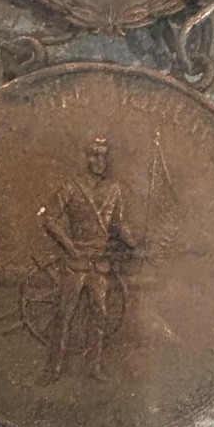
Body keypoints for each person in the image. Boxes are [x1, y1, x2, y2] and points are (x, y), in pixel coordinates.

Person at [42, 137, 134, 381]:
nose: (99, 161)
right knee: (64, 313)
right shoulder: (70, 187)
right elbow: (49, 218)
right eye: (94, 155)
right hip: (76, 262)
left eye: (103, 156)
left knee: (100, 315)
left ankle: (94, 368)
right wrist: (69, 246)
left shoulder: (114, 190)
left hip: (99, 263)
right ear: (85, 158)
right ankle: (53, 369)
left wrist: (134, 243)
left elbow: (118, 224)